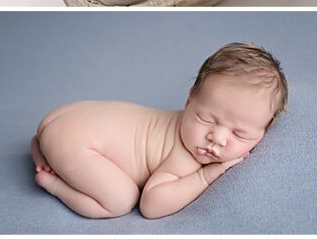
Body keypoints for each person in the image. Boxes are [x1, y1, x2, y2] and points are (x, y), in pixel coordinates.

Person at [31, 43, 287, 219]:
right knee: (121, 200)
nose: (217, 138)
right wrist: (207, 176)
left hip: (64, 117)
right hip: (75, 141)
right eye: (205, 118)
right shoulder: (184, 157)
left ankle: (43, 146)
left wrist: (48, 134)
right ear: (188, 102)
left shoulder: (192, 132)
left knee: (60, 137)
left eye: (240, 134)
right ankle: (53, 182)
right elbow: (151, 206)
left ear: (263, 133)